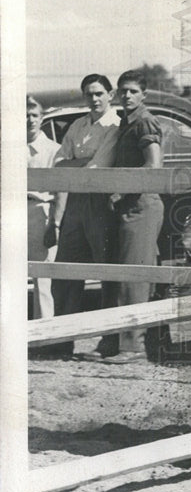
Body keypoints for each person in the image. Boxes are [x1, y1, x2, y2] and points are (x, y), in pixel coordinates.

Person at [47, 74, 121, 358]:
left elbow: (96, 169)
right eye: (89, 94)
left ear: (110, 95)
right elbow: (58, 164)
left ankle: (109, 338)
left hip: (102, 204)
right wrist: (79, 164)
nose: (95, 99)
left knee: (107, 273)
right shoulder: (78, 125)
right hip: (74, 203)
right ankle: (63, 338)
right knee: (66, 272)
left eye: (100, 93)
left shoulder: (114, 126)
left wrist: (75, 164)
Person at [96, 70, 164, 364]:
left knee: (133, 279)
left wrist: (121, 191)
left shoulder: (145, 121)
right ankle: (114, 343)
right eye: (123, 91)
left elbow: (153, 166)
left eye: (133, 91)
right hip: (127, 206)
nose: (127, 96)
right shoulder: (125, 122)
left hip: (141, 205)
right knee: (118, 275)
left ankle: (133, 348)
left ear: (143, 95)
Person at [26, 95, 60, 320]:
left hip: (41, 212)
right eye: (25, 116)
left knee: (43, 278)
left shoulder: (53, 150)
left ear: (42, 118)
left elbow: (59, 191)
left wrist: (53, 225)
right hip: (13, 213)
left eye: (34, 115)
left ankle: (44, 332)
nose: (30, 120)